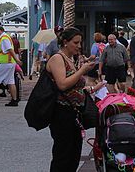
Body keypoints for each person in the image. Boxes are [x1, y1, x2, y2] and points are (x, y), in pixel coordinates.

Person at [46, 28, 105, 172]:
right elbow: (62, 84)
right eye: (76, 42)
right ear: (65, 42)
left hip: (74, 113)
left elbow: (75, 88)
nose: (79, 46)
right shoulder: (57, 58)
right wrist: (82, 71)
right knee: (63, 155)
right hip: (62, 112)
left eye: (80, 42)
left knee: (74, 154)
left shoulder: (71, 59)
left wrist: (93, 88)